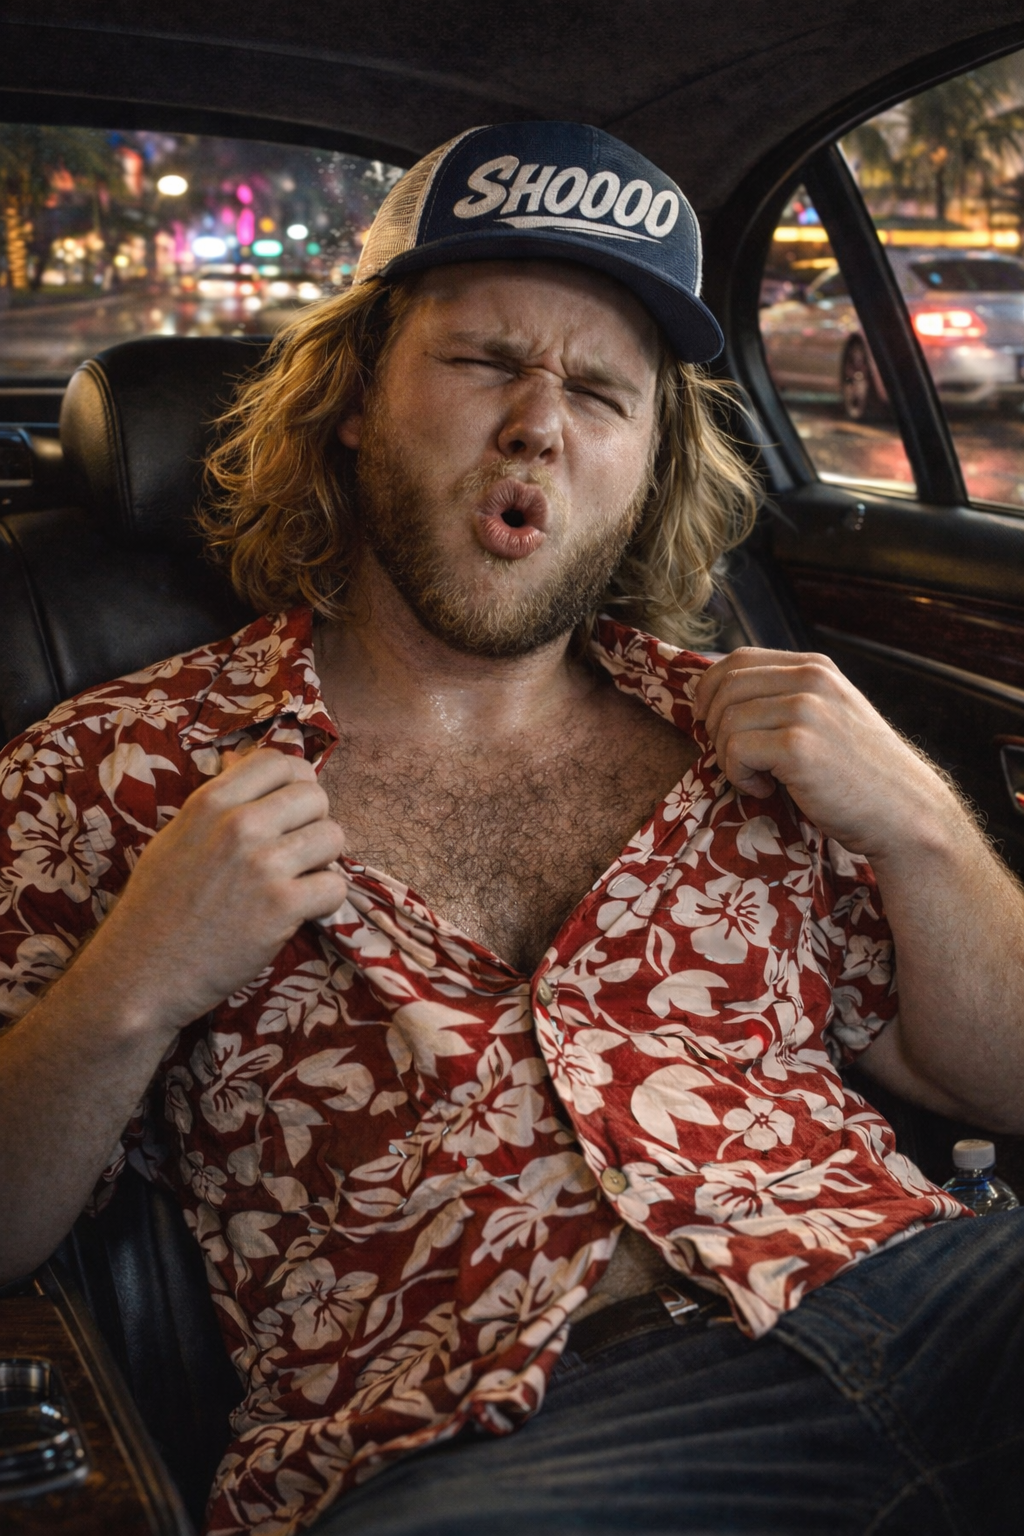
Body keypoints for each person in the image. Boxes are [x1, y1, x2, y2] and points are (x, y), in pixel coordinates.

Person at [1, 122, 1023, 1536]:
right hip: (508, 1445)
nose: (542, 420)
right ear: (353, 400)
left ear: (648, 460)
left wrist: (917, 819)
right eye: (485, 361)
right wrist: (137, 981)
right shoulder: (119, 768)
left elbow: (1001, 1080)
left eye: (602, 391)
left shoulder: (749, 736)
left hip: (929, 1299)